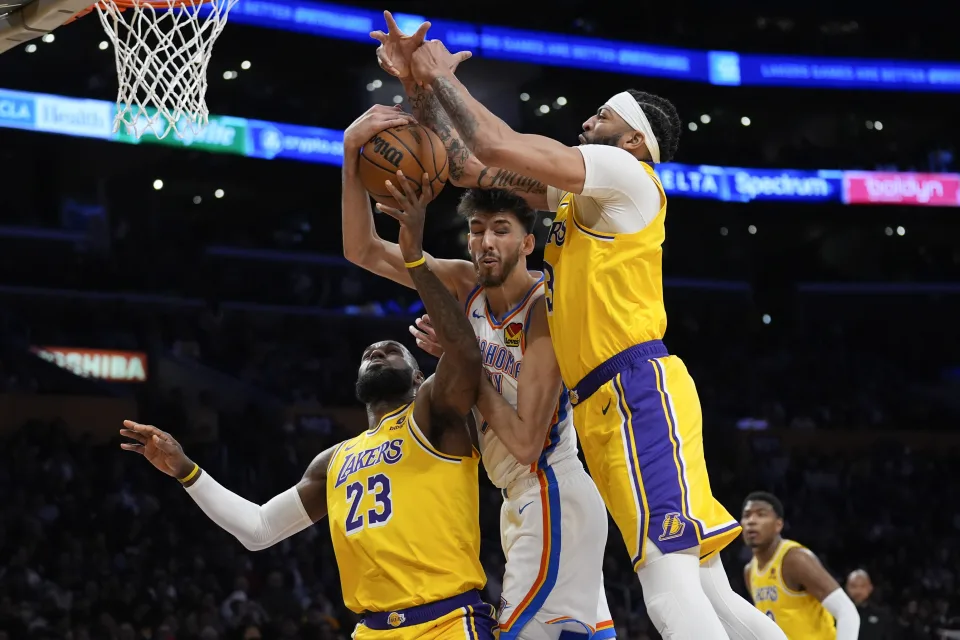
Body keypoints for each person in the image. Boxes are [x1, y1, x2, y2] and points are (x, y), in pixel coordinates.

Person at [372, 12, 786, 640]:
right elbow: (465, 168)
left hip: (635, 388)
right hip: (607, 404)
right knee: (708, 589)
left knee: (668, 587)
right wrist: (420, 87)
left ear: (633, 142)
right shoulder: (579, 201)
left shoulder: (628, 178)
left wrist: (437, 72)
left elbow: (498, 145)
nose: (587, 122)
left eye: (602, 117)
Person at [120, 174, 499, 640]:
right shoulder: (332, 462)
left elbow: (467, 353)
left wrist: (415, 256)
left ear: (420, 375)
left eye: (391, 349)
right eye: (368, 354)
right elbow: (258, 529)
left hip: (447, 622)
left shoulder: (432, 413)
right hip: (371, 631)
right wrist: (186, 471)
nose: (376, 351)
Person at [342, 101, 614, 640]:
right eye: (477, 229)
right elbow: (362, 250)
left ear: (529, 242)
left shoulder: (545, 309)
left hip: (550, 489)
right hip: (516, 502)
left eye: (502, 230)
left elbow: (526, 442)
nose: (486, 243)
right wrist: (350, 153)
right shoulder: (466, 283)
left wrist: (457, 358)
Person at [742, 492, 860, 640]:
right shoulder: (749, 571)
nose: (751, 521)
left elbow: (847, 611)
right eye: (747, 515)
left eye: (761, 514)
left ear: (778, 525)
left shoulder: (795, 559)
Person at [846, 569, 898, 640]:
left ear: (870, 588)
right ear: (847, 588)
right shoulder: (837, 615)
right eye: (853, 586)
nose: (858, 591)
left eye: (862, 586)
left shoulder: (882, 616)